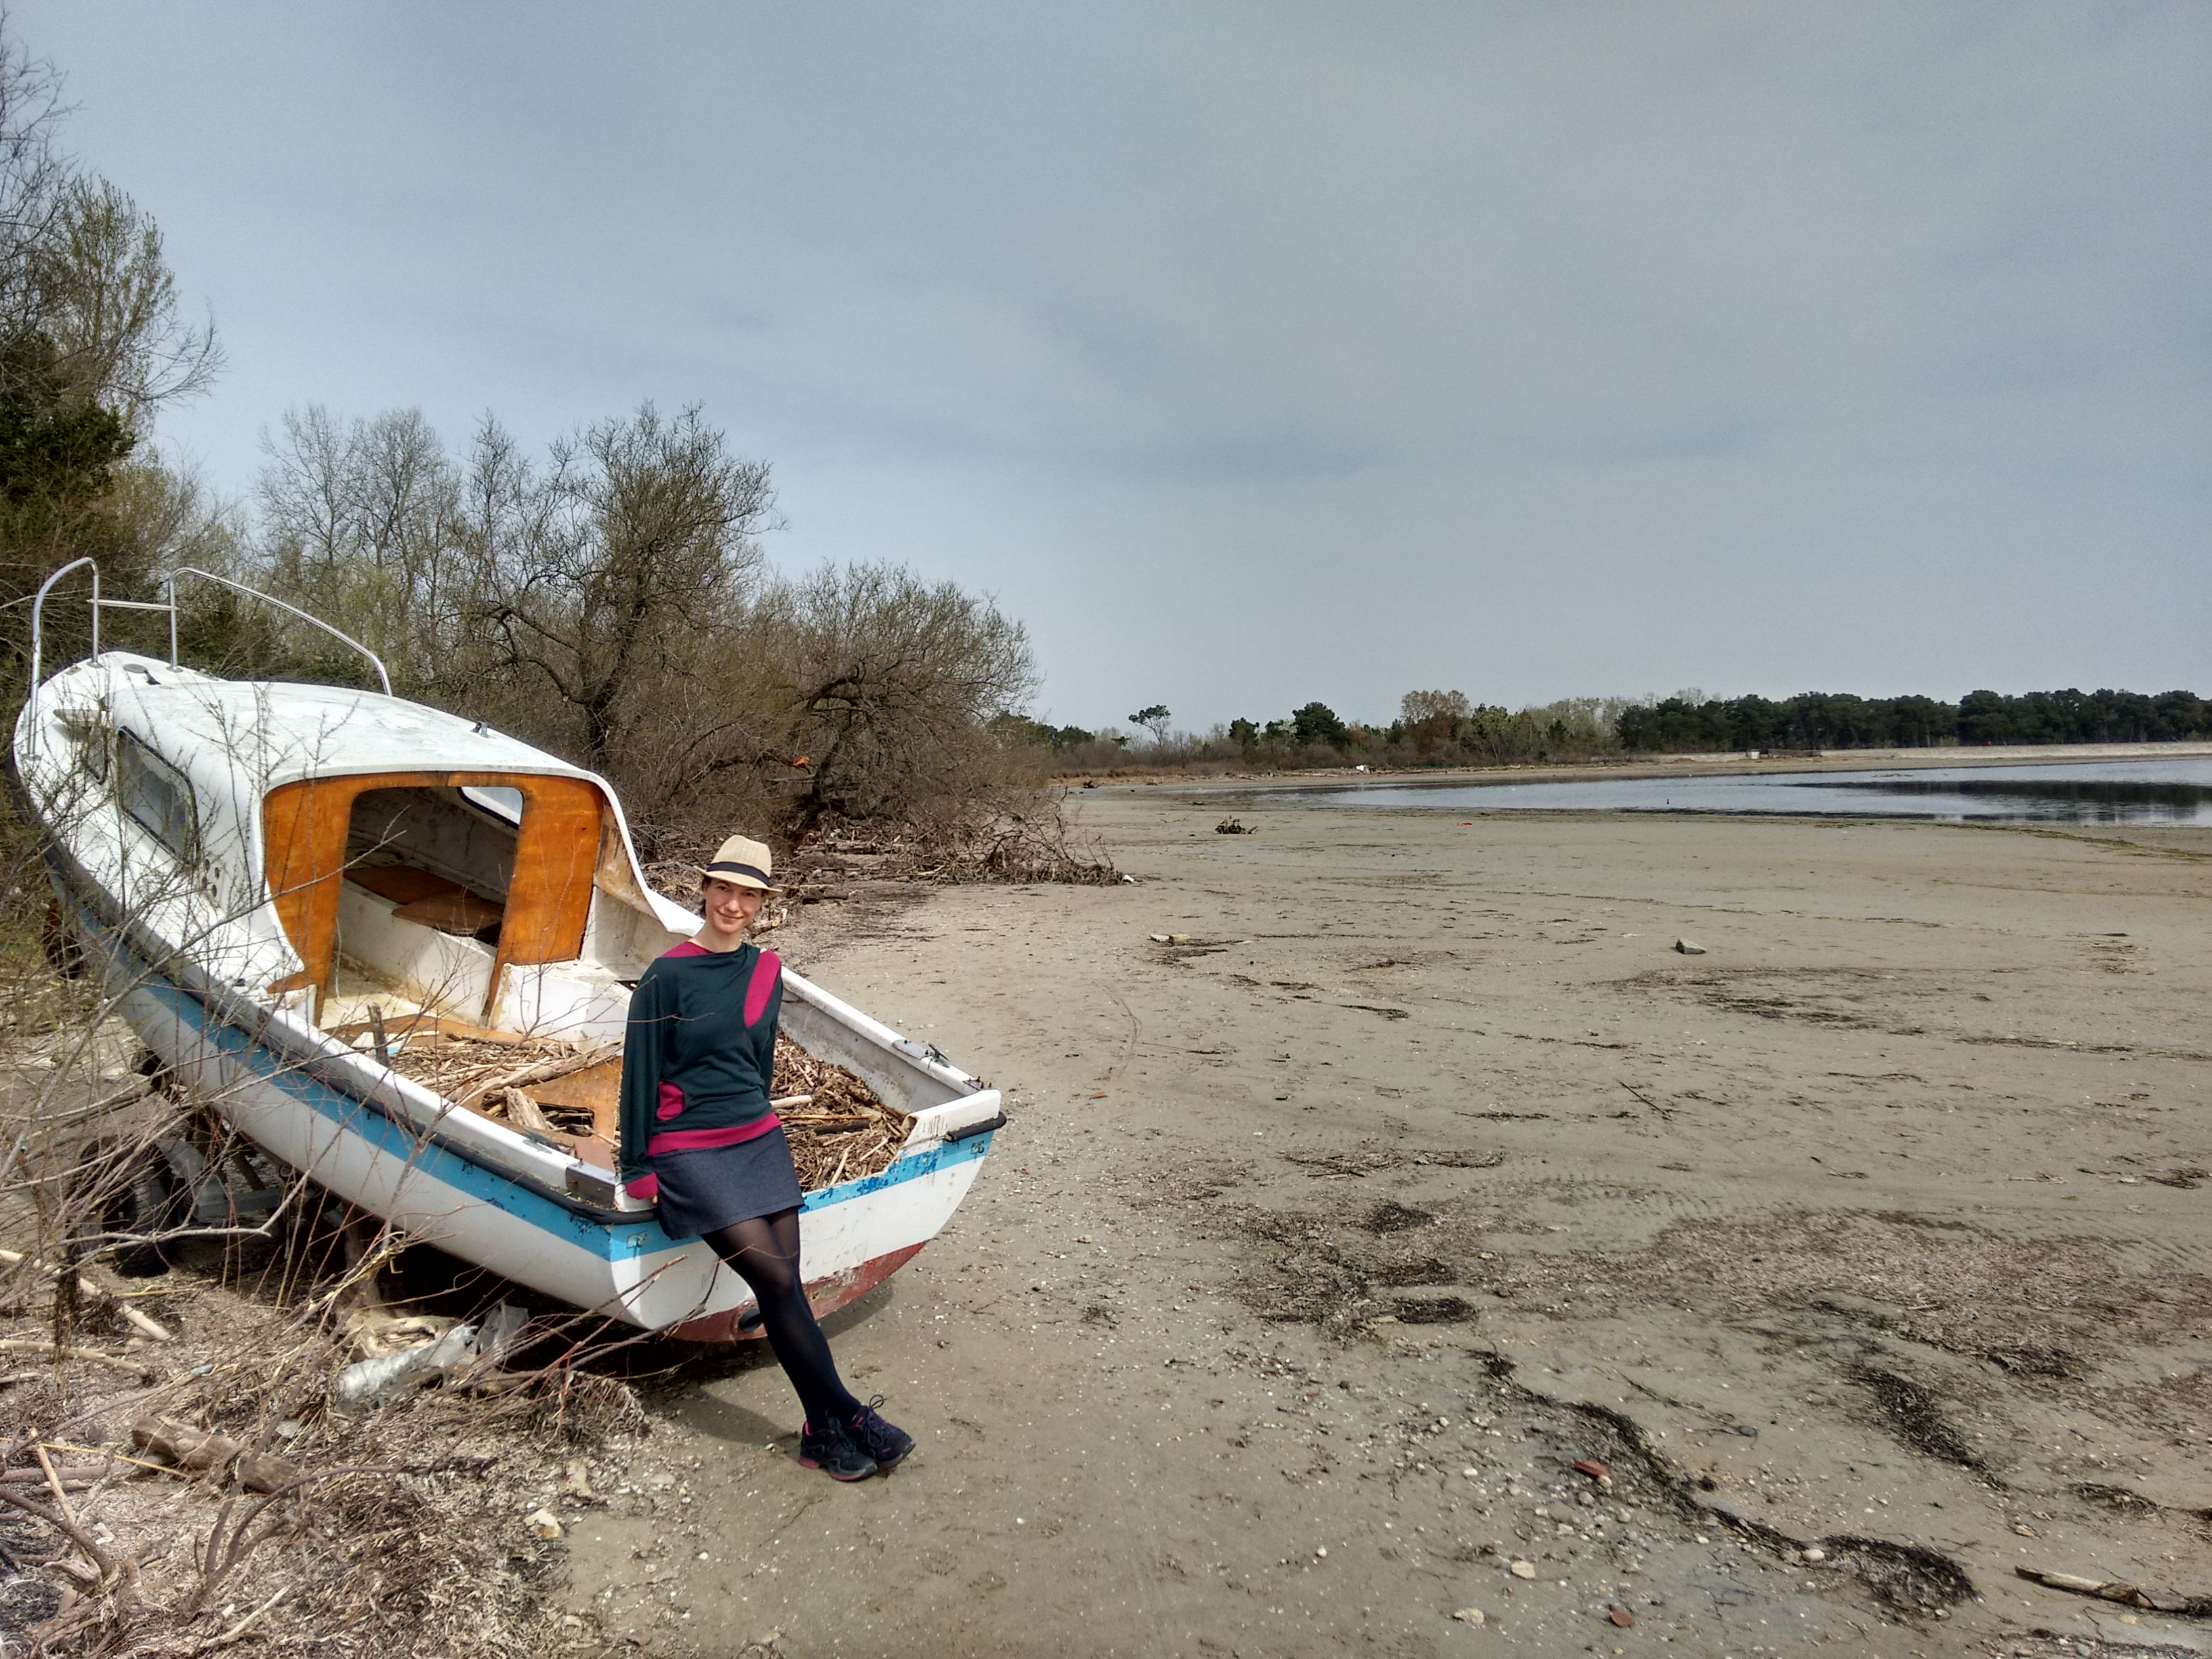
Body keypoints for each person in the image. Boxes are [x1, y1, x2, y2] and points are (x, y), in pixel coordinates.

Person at [617, 833, 914, 1481]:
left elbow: (759, 1063)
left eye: (747, 894)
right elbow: (637, 1073)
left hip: (755, 1139)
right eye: (724, 888)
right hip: (690, 1149)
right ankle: (851, 1412)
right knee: (776, 1282)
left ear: (760, 904)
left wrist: (761, 1120)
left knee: (790, 1288)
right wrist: (637, 1167)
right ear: (704, 889)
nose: (733, 903)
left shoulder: (766, 970)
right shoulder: (667, 976)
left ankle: (818, 1433)